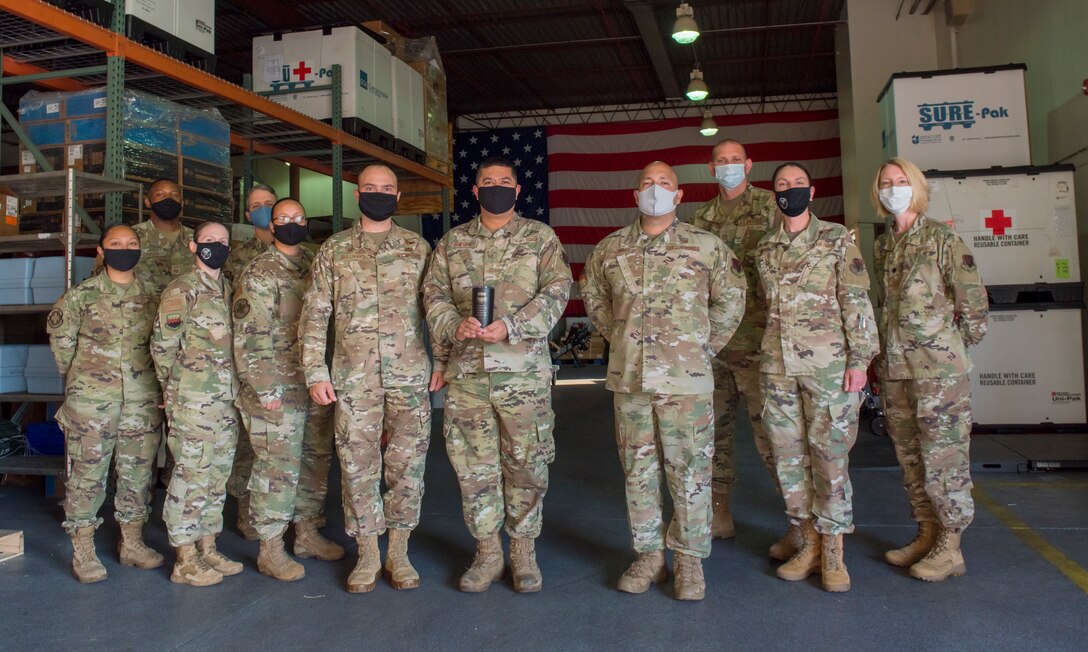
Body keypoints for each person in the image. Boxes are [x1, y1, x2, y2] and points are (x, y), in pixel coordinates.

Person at [581, 161, 746, 601]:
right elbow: (592, 295)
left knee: (690, 472)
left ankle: (689, 561)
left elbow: (731, 299)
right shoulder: (610, 248)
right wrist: (618, 336)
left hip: (686, 381)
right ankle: (649, 556)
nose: (655, 189)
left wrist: (701, 346)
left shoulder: (705, 246)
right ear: (635, 195)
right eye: (647, 184)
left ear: (679, 195)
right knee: (638, 472)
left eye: (664, 184)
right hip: (631, 379)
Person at [423, 156, 572, 593]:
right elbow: (432, 295)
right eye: (487, 181)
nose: (495, 187)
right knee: (474, 467)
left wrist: (514, 325)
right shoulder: (451, 244)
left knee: (527, 464)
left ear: (517, 190)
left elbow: (559, 290)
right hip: (468, 374)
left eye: (504, 181)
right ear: (474, 192)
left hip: (523, 375)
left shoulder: (539, 237)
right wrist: (455, 325)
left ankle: (523, 552)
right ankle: (487, 552)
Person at [300, 165, 438, 593]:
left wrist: (444, 362)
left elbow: (437, 308)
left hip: (409, 377)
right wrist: (314, 370)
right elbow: (315, 313)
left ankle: (398, 550)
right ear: (357, 194)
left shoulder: (418, 248)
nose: (379, 194)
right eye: (370, 188)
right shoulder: (335, 250)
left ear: (398, 198)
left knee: (406, 466)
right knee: (358, 467)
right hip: (354, 379)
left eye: (387, 189)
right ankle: (367, 552)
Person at [755, 162, 877, 592]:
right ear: (774, 195)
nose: (791, 191)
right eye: (783, 186)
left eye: (798, 184)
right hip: (777, 368)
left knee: (830, 459)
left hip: (829, 368)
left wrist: (860, 360)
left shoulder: (837, 240)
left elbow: (857, 302)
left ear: (812, 190)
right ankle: (805, 539)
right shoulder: (765, 248)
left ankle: (833, 551)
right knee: (788, 460)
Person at [871, 158, 988, 582]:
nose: (893, 188)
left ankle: (951, 546)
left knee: (945, 459)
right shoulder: (885, 244)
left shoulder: (942, 238)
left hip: (939, 373)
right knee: (910, 457)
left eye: (901, 181)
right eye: (886, 183)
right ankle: (927, 532)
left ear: (917, 187)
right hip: (898, 369)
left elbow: (973, 303)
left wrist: (952, 349)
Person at [234, 198, 343, 582]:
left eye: (298, 217)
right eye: (283, 218)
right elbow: (249, 337)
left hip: (315, 384)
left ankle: (308, 533)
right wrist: (265, 389)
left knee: (315, 461)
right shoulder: (259, 272)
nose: (292, 223)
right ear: (272, 225)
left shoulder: (317, 262)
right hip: (277, 387)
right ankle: (271, 548)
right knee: (277, 468)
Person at [47, 224, 163, 583]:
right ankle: (83, 548)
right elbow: (62, 346)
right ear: (101, 250)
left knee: (138, 475)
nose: (124, 249)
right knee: (87, 476)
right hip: (93, 403)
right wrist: (85, 380)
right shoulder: (81, 296)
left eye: (131, 244)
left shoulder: (155, 296)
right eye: (116, 244)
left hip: (141, 401)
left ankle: (132, 543)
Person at [691, 138, 782, 547]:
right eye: (720, 161)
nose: (727, 166)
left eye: (734, 160)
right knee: (713, 434)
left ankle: (800, 524)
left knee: (775, 435)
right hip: (713, 345)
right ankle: (719, 512)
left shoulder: (771, 208)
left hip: (759, 341)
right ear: (711, 169)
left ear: (749, 165)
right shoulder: (700, 217)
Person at [151, 221, 241, 587]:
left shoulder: (229, 290)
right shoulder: (182, 290)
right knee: (190, 475)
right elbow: (162, 346)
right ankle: (184, 557)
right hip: (193, 400)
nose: (216, 246)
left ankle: (208, 545)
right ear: (193, 247)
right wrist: (171, 392)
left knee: (217, 475)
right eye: (208, 241)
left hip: (225, 401)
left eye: (222, 241)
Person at [224, 183, 278, 541]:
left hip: (291, 358)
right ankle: (246, 509)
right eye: (255, 206)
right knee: (249, 441)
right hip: (250, 358)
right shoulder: (236, 256)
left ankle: (292, 514)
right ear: (247, 215)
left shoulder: (303, 253)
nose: (262, 209)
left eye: (268, 204)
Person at [134, 179, 194, 297]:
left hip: (187, 312)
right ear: (148, 202)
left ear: (181, 203)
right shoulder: (131, 238)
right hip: (143, 312)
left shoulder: (197, 239)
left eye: (174, 195)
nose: (168, 199)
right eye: (160, 194)